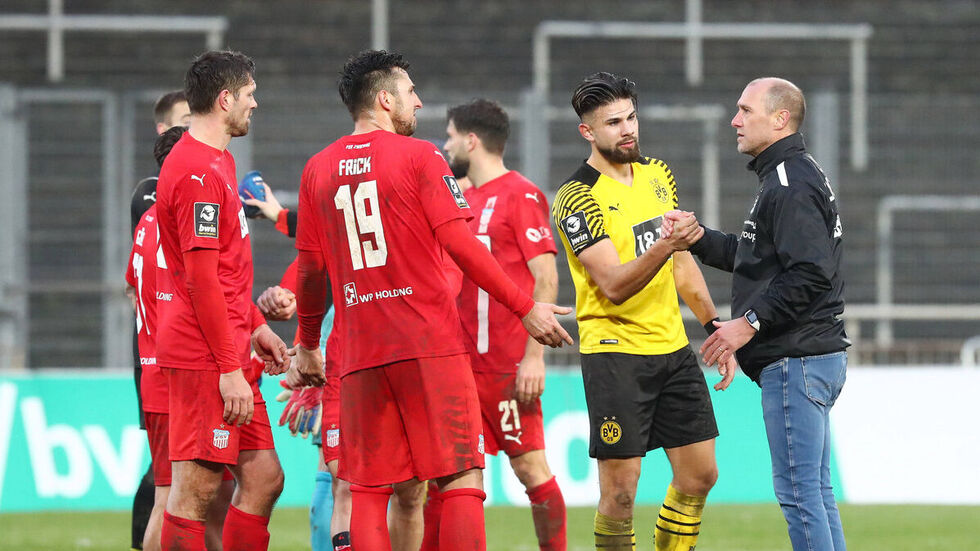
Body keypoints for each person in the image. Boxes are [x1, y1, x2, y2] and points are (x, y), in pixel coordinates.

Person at [292, 49, 572, 551]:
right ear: (384, 99)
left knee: (369, 489)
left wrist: (309, 343)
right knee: (461, 478)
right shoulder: (421, 157)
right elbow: (463, 246)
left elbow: (312, 272)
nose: (418, 103)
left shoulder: (317, 169)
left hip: (358, 352)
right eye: (410, 92)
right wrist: (524, 307)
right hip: (428, 344)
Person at [551, 72, 734, 551]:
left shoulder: (658, 174)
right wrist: (669, 244)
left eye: (631, 117)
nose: (628, 128)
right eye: (613, 122)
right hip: (615, 354)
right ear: (587, 132)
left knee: (700, 475)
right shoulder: (576, 197)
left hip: (672, 349)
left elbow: (682, 264)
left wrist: (714, 325)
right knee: (621, 493)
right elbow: (612, 285)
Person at [669, 77, 849, 551]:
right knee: (814, 491)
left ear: (780, 118)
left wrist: (747, 324)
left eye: (746, 110)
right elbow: (756, 257)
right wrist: (698, 237)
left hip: (797, 358)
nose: (736, 120)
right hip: (810, 356)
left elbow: (811, 273)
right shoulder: (787, 176)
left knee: (799, 494)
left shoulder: (789, 182)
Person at [155, 50, 290, 551]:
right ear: (225, 98)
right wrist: (229, 367)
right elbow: (202, 281)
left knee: (263, 478)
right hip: (204, 356)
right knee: (196, 491)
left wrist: (256, 327)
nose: (255, 104)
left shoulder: (220, 160)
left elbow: (228, 273)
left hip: (232, 344)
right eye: (250, 95)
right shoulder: (194, 172)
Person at [423, 98, 567, 551]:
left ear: (471, 139)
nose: (445, 145)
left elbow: (545, 277)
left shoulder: (521, 194)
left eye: (449, 136)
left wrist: (533, 357)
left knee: (530, 470)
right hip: (458, 366)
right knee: (442, 478)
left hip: (505, 365)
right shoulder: (459, 196)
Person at [128, 90, 192, 551]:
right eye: (187, 123)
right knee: (169, 485)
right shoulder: (152, 199)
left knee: (183, 485)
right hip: (169, 361)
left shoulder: (151, 221)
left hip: (161, 358)